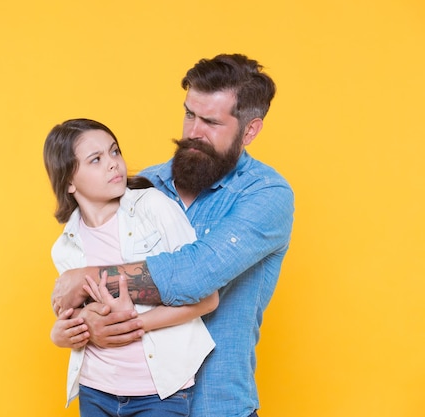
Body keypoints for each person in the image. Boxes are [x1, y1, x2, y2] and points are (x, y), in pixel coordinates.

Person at [51, 54, 295, 417]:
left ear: (250, 131)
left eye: (211, 121)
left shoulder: (265, 195)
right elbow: (88, 258)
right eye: (189, 114)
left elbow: (193, 275)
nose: (193, 132)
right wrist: (84, 325)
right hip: (126, 400)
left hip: (217, 407)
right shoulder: (142, 187)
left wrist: (86, 280)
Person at [43, 118, 219, 416]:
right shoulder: (66, 247)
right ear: (69, 181)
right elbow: (77, 316)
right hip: (94, 389)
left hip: (160, 393)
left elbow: (206, 298)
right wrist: (59, 334)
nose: (113, 164)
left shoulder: (153, 208)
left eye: (114, 152)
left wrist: (133, 324)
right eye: (96, 159)